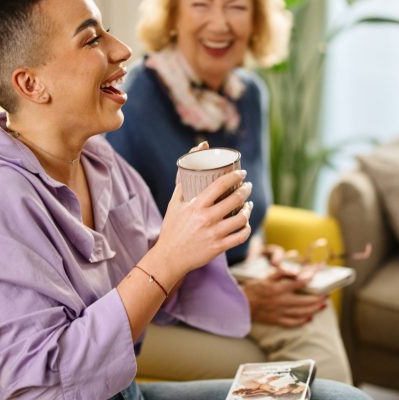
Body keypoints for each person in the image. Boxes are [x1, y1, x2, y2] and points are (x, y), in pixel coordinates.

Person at [0, 0, 371, 399]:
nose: (122, 50)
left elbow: (162, 277)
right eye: (92, 39)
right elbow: (45, 388)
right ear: (31, 84)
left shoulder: (99, 161)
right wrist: (170, 256)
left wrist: (197, 230)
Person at [105, 0, 352, 383]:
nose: (220, 24)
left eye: (237, 6)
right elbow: (117, 263)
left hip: (230, 284)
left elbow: (253, 210)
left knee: (308, 309)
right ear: (173, 15)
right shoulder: (132, 104)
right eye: (200, 4)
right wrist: (243, 301)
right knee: (303, 357)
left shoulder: (249, 95)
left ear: (257, 21)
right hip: (157, 308)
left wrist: (260, 257)